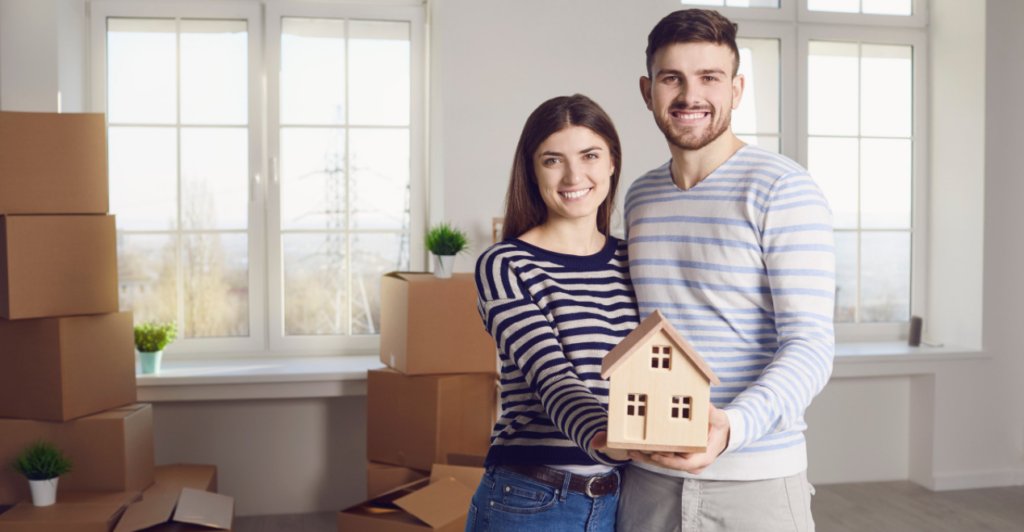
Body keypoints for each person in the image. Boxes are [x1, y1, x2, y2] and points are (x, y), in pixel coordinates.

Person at [617, 9, 835, 532]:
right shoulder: (640, 197)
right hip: (647, 480)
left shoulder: (784, 188)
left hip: (755, 481)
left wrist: (731, 427)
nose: (690, 96)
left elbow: (810, 345)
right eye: (673, 78)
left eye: (709, 78)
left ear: (736, 90)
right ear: (648, 91)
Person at [465, 94, 637, 532]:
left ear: (612, 162)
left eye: (590, 155)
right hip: (530, 501)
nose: (574, 175)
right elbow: (552, 379)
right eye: (553, 160)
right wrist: (608, 441)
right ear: (532, 170)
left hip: (623, 495)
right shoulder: (505, 264)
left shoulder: (636, 260)